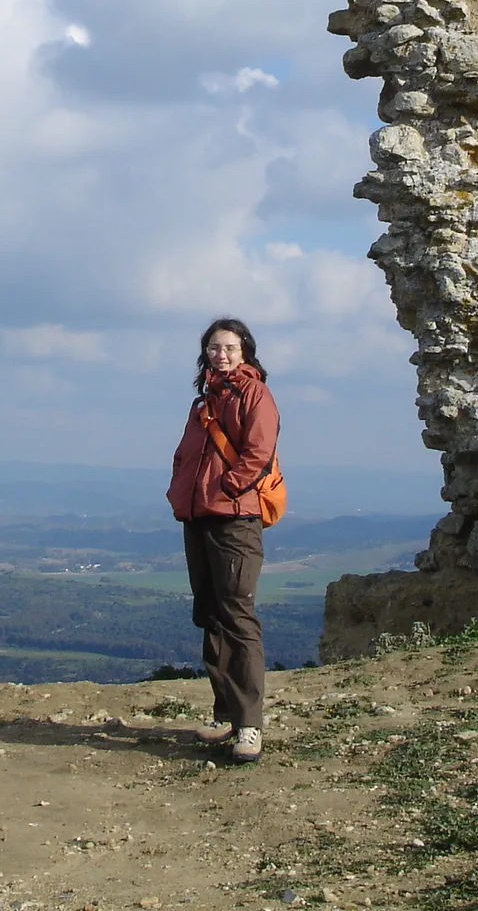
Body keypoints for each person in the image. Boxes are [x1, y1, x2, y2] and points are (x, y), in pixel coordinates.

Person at [166, 316, 279, 764]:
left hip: (234, 519)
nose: (222, 354)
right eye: (214, 347)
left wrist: (228, 488)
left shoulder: (255, 393)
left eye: (230, 347)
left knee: (237, 614)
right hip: (199, 517)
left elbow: (258, 450)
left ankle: (249, 725)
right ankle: (225, 714)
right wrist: (181, 490)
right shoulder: (204, 400)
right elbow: (187, 454)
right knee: (210, 613)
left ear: (246, 351)